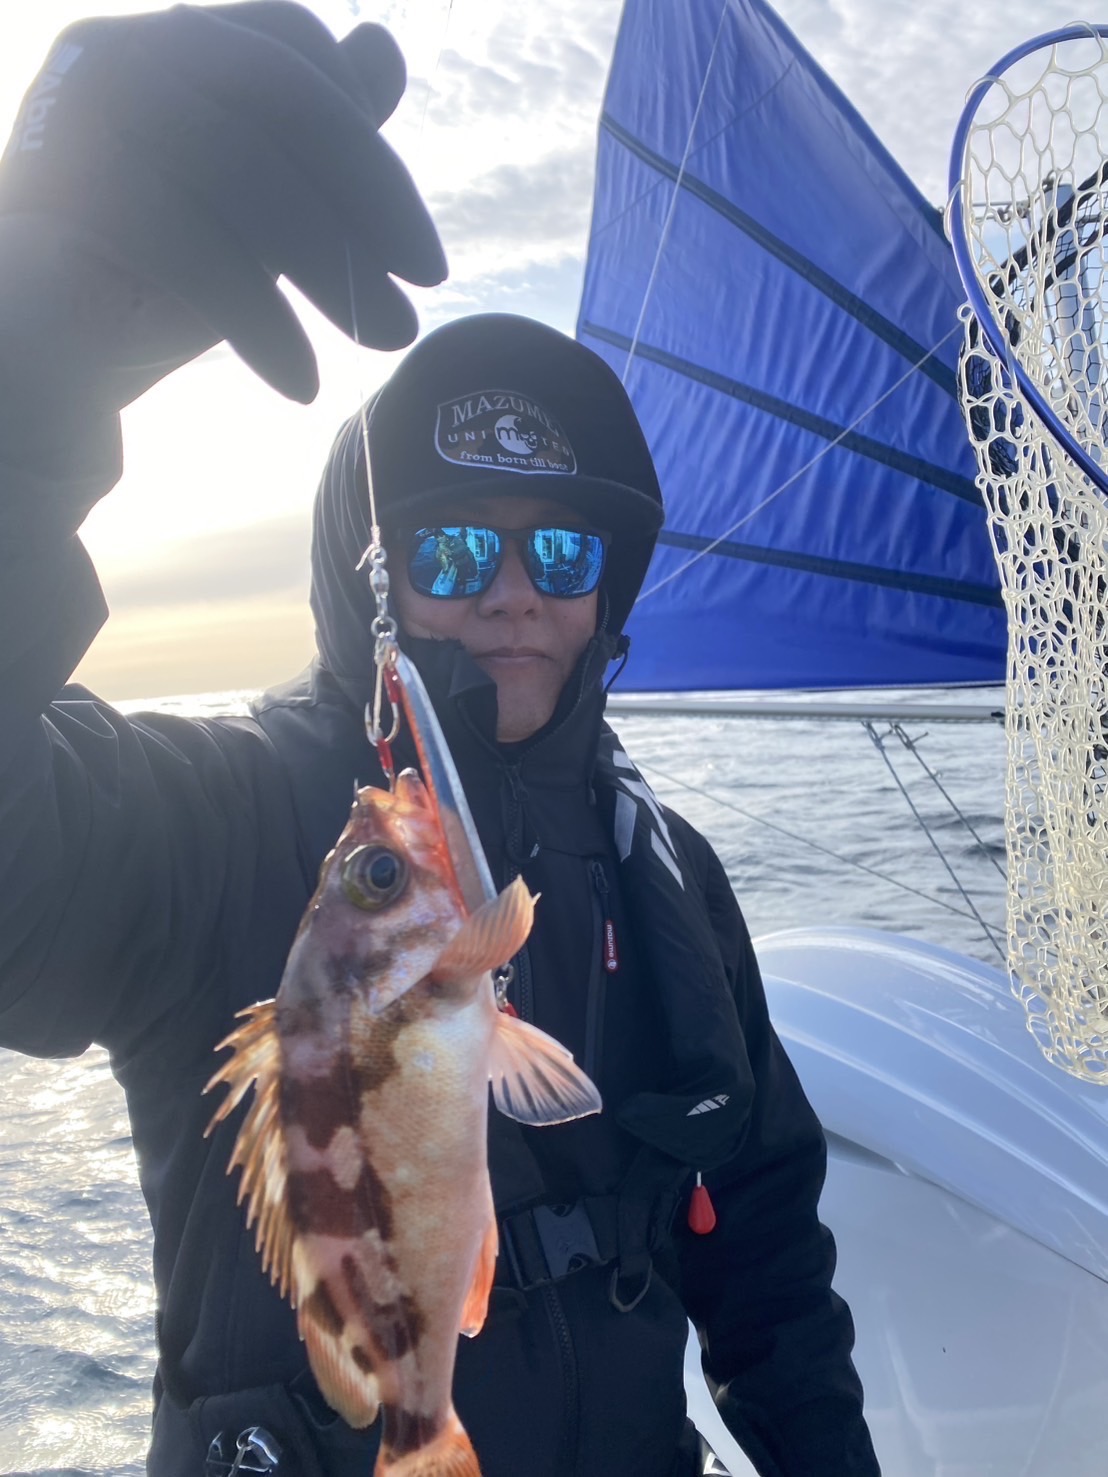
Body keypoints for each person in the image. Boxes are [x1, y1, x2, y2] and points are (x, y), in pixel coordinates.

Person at [0, 5, 880, 1475]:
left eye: (565, 551)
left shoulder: (668, 870)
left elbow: (770, 1256)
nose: (516, 591)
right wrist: (26, 366)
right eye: (456, 547)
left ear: (611, 590)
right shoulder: (219, 820)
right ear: (374, 577)